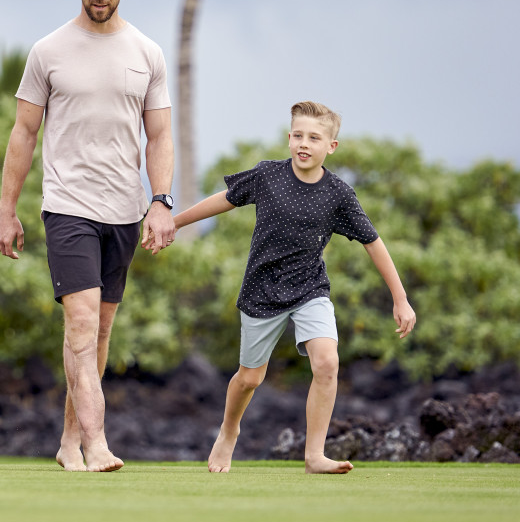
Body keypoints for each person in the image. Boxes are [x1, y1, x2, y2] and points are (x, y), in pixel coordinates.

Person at [0, 0, 176, 473]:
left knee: (97, 333)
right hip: (68, 205)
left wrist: (161, 202)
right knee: (78, 323)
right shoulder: (48, 51)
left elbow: (159, 136)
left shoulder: (147, 53)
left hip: (124, 209)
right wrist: (7, 210)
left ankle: (70, 440)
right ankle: (98, 443)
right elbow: (24, 133)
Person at [172, 101, 417, 474]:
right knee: (250, 378)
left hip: (310, 289)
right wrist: (175, 222)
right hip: (261, 290)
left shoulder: (339, 194)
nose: (304, 143)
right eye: (298, 136)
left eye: (314, 138)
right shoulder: (268, 175)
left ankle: (314, 455)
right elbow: (223, 201)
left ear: (331, 146)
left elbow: (374, 243)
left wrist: (400, 299)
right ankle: (229, 431)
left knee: (327, 362)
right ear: (289, 139)